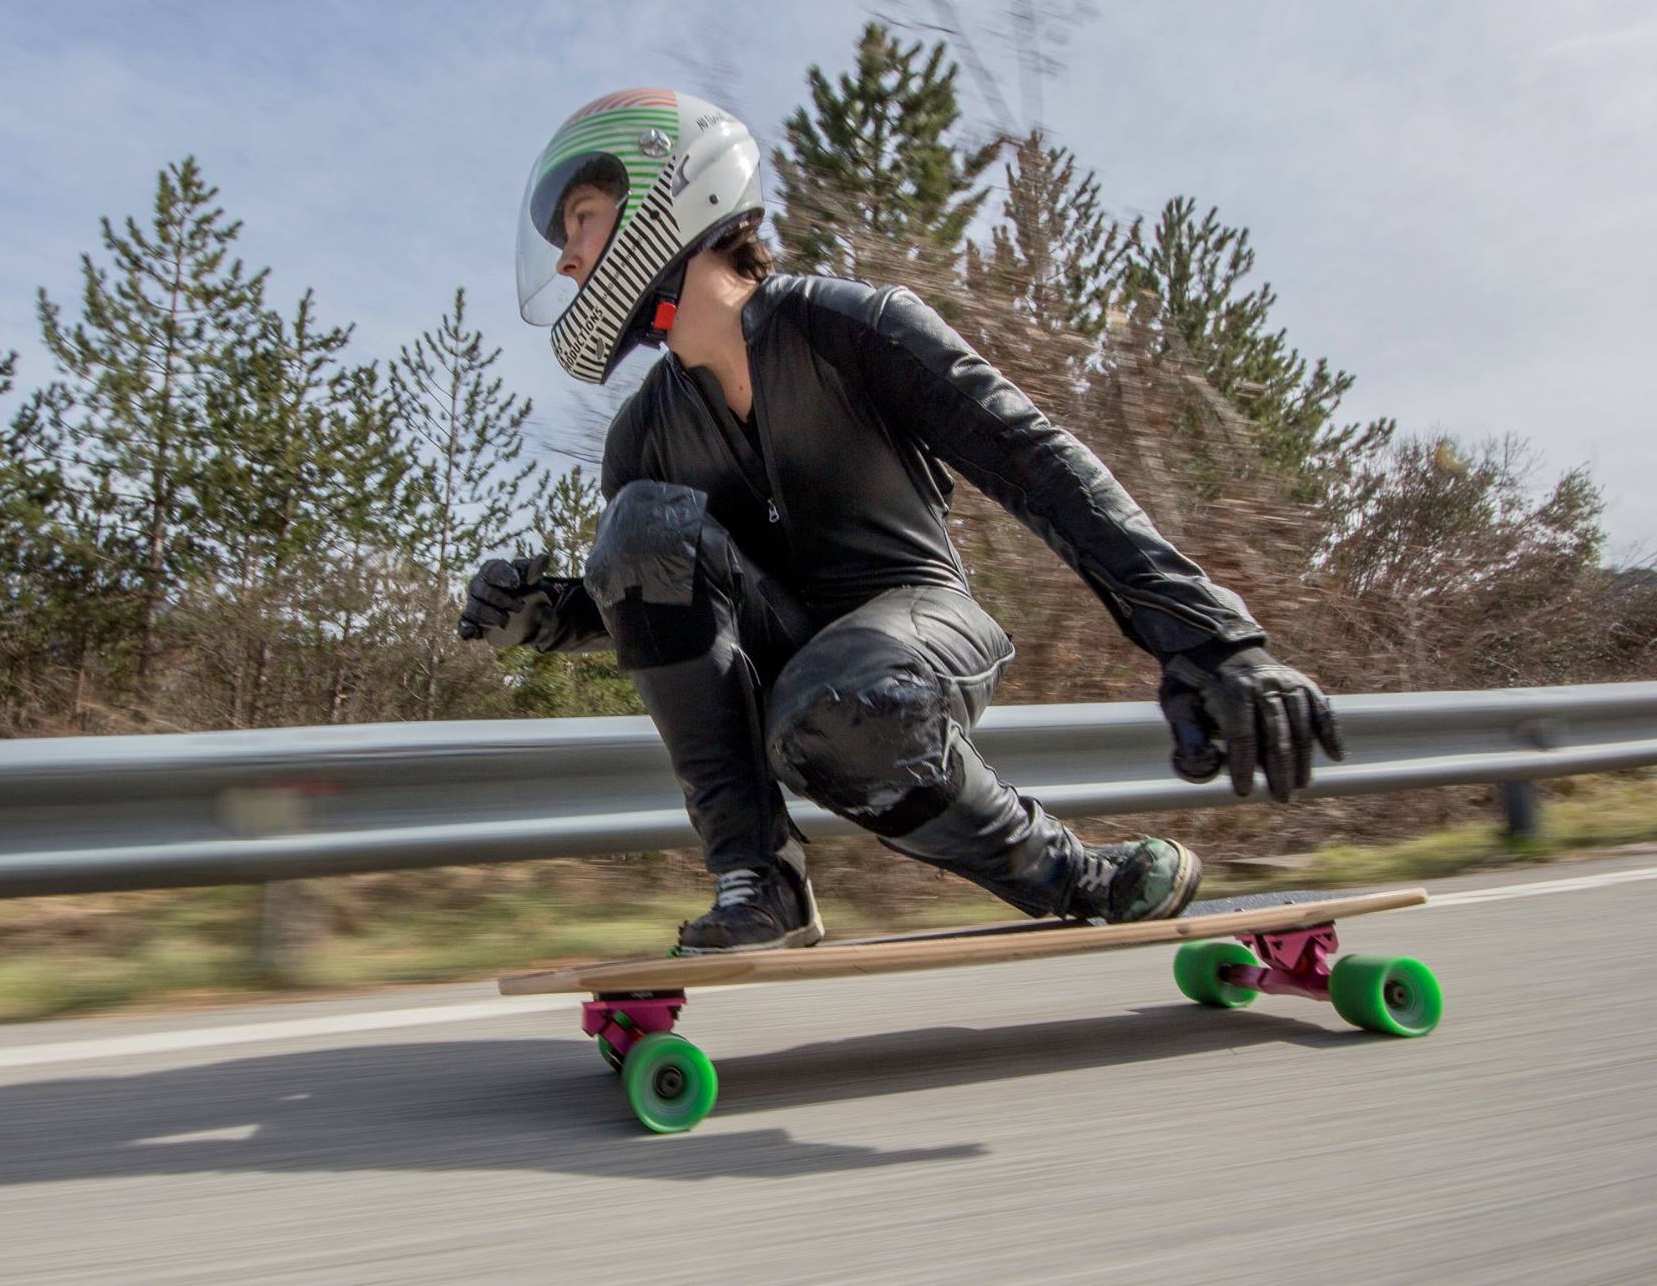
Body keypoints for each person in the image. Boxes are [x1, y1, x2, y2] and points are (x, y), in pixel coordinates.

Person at [461, 87, 1344, 954]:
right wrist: (546, 616)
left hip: (920, 622)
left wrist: (1211, 638)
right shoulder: (643, 434)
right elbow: (657, 605)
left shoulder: (854, 327)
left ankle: (1073, 876)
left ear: (670, 182)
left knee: (835, 699)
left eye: (580, 216)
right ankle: (758, 879)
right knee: (638, 528)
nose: (570, 257)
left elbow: (1039, 464)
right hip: (790, 650)